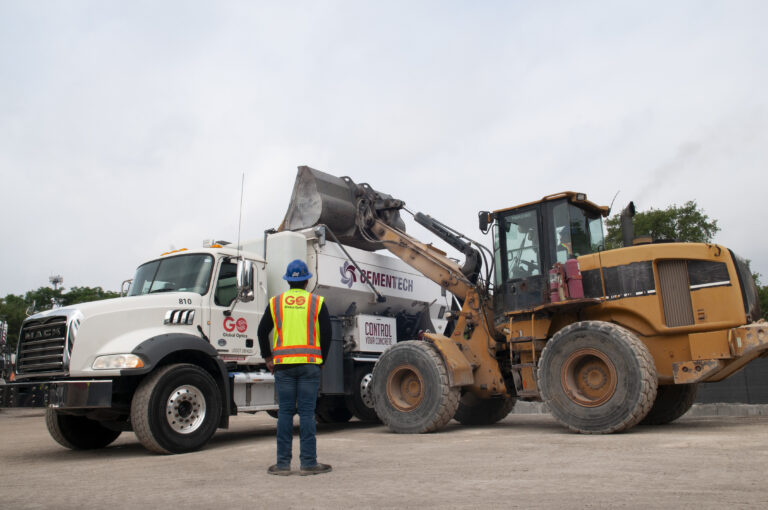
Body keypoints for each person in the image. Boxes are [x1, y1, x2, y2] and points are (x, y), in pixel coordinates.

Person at [257, 259, 333, 476]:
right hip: (310, 365)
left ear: (288, 281)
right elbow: (327, 334)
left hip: (283, 367)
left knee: (285, 414)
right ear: (307, 280)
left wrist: (267, 357)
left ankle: (282, 465)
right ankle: (309, 463)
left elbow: (262, 331)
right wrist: (321, 360)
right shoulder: (317, 302)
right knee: (307, 414)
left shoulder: (276, 302)